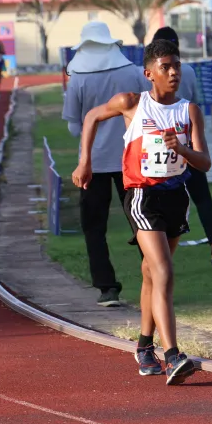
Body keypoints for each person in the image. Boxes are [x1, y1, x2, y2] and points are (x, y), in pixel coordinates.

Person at [72, 39, 211, 385]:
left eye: (177, 65)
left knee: (151, 272)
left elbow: (204, 163)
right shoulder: (132, 104)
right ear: (149, 74)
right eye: (166, 66)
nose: (174, 72)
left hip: (175, 196)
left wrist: (180, 147)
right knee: (163, 270)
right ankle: (173, 353)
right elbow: (91, 117)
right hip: (141, 196)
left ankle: (144, 346)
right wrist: (85, 161)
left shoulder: (189, 111)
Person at [62, 21, 149, 306]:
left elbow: (75, 127)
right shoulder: (132, 72)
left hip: (92, 163)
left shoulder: (78, 79)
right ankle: (155, 280)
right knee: (144, 223)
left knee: (94, 227)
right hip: (132, 160)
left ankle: (106, 287)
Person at [150, 26, 212, 271]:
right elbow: (195, 101)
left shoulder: (151, 72)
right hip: (187, 143)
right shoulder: (188, 71)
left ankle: (158, 253)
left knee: (158, 201)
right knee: (202, 197)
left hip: (161, 146)